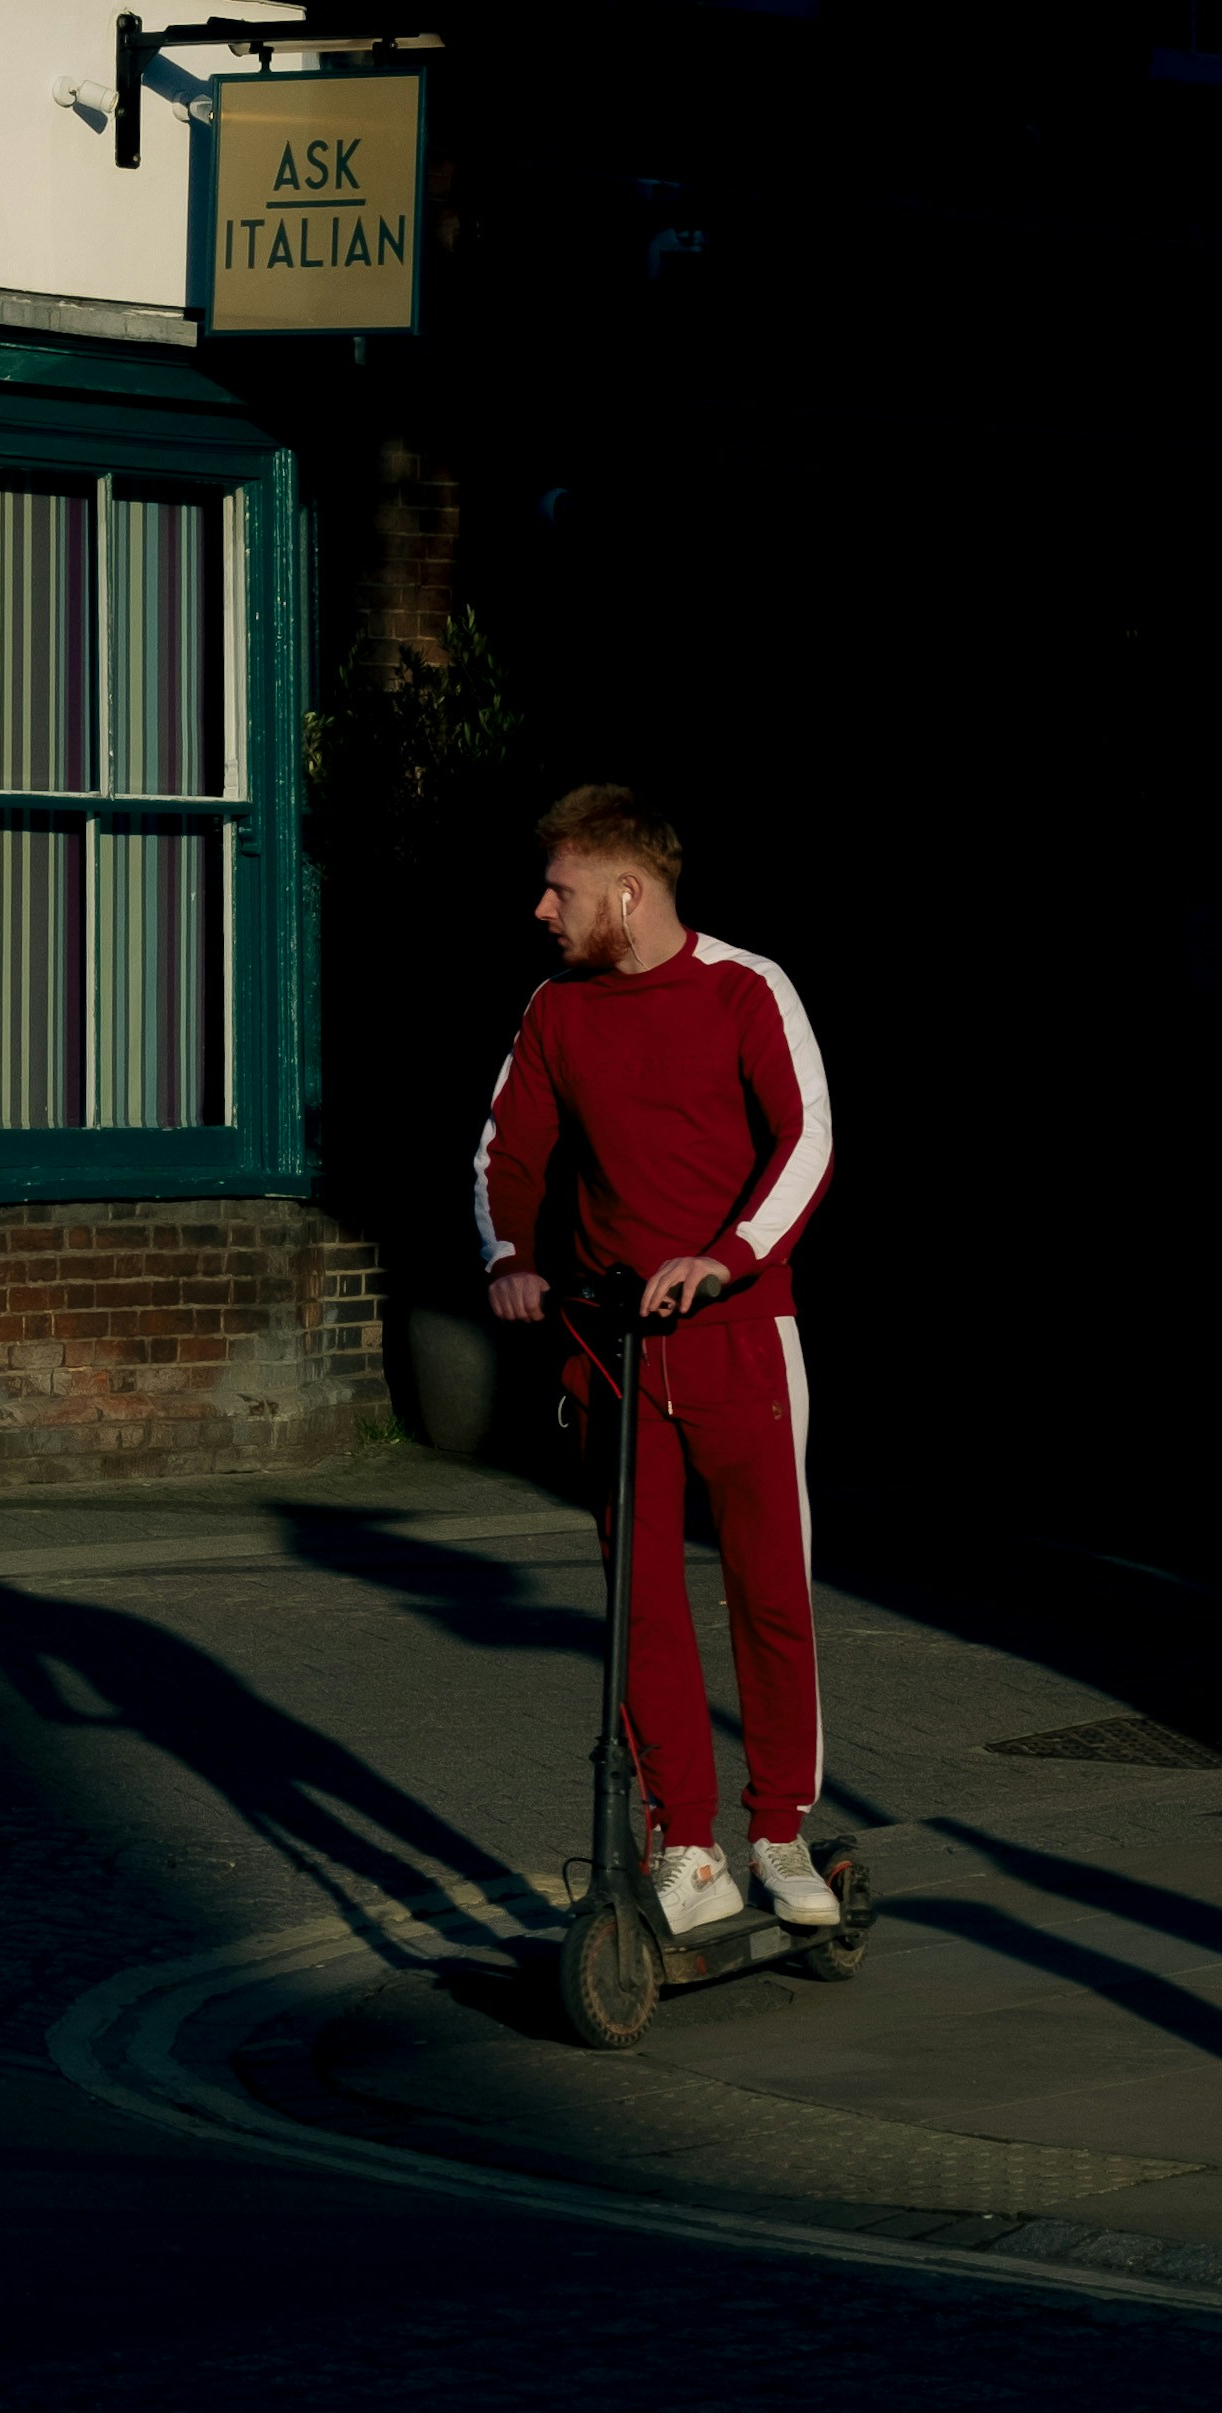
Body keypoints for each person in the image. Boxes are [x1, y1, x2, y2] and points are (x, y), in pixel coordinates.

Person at [476, 783, 839, 1935]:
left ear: (627, 892)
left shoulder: (746, 988)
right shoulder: (555, 1012)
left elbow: (808, 1138)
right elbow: (505, 1154)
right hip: (609, 1349)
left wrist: (727, 1256)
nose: (541, 908)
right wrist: (508, 1260)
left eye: (562, 889)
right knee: (639, 1606)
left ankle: (777, 1828)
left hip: (738, 1339)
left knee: (768, 1595)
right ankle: (689, 1846)